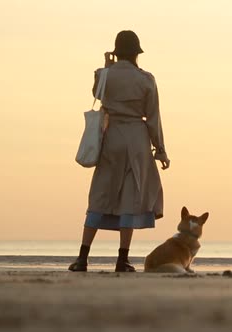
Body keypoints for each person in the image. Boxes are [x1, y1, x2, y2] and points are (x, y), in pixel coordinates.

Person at [69, 30, 171, 272]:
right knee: (130, 199)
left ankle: (82, 258)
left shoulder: (104, 75)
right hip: (136, 140)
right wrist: (161, 150)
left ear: (116, 52)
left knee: (100, 194)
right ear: (136, 53)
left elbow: (98, 95)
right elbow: (154, 117)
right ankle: (122, 259)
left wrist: (106, 68)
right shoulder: (146, 79)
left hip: (111, 137)